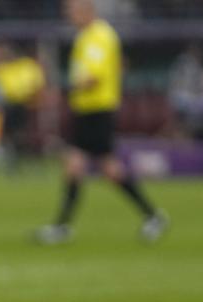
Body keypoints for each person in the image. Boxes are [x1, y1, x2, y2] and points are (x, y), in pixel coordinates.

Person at [36, 0, 167, 245]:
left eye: (72, 11)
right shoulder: (89, 36)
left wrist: (60, 90)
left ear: (87, 10)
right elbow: (116, 66)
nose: (69, 16)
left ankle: (152, 215)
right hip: (90, 109)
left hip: (97, 110)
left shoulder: (98, 37)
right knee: (87, 166)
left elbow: (92, 78)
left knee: (96, 167)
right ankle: (63, 226)